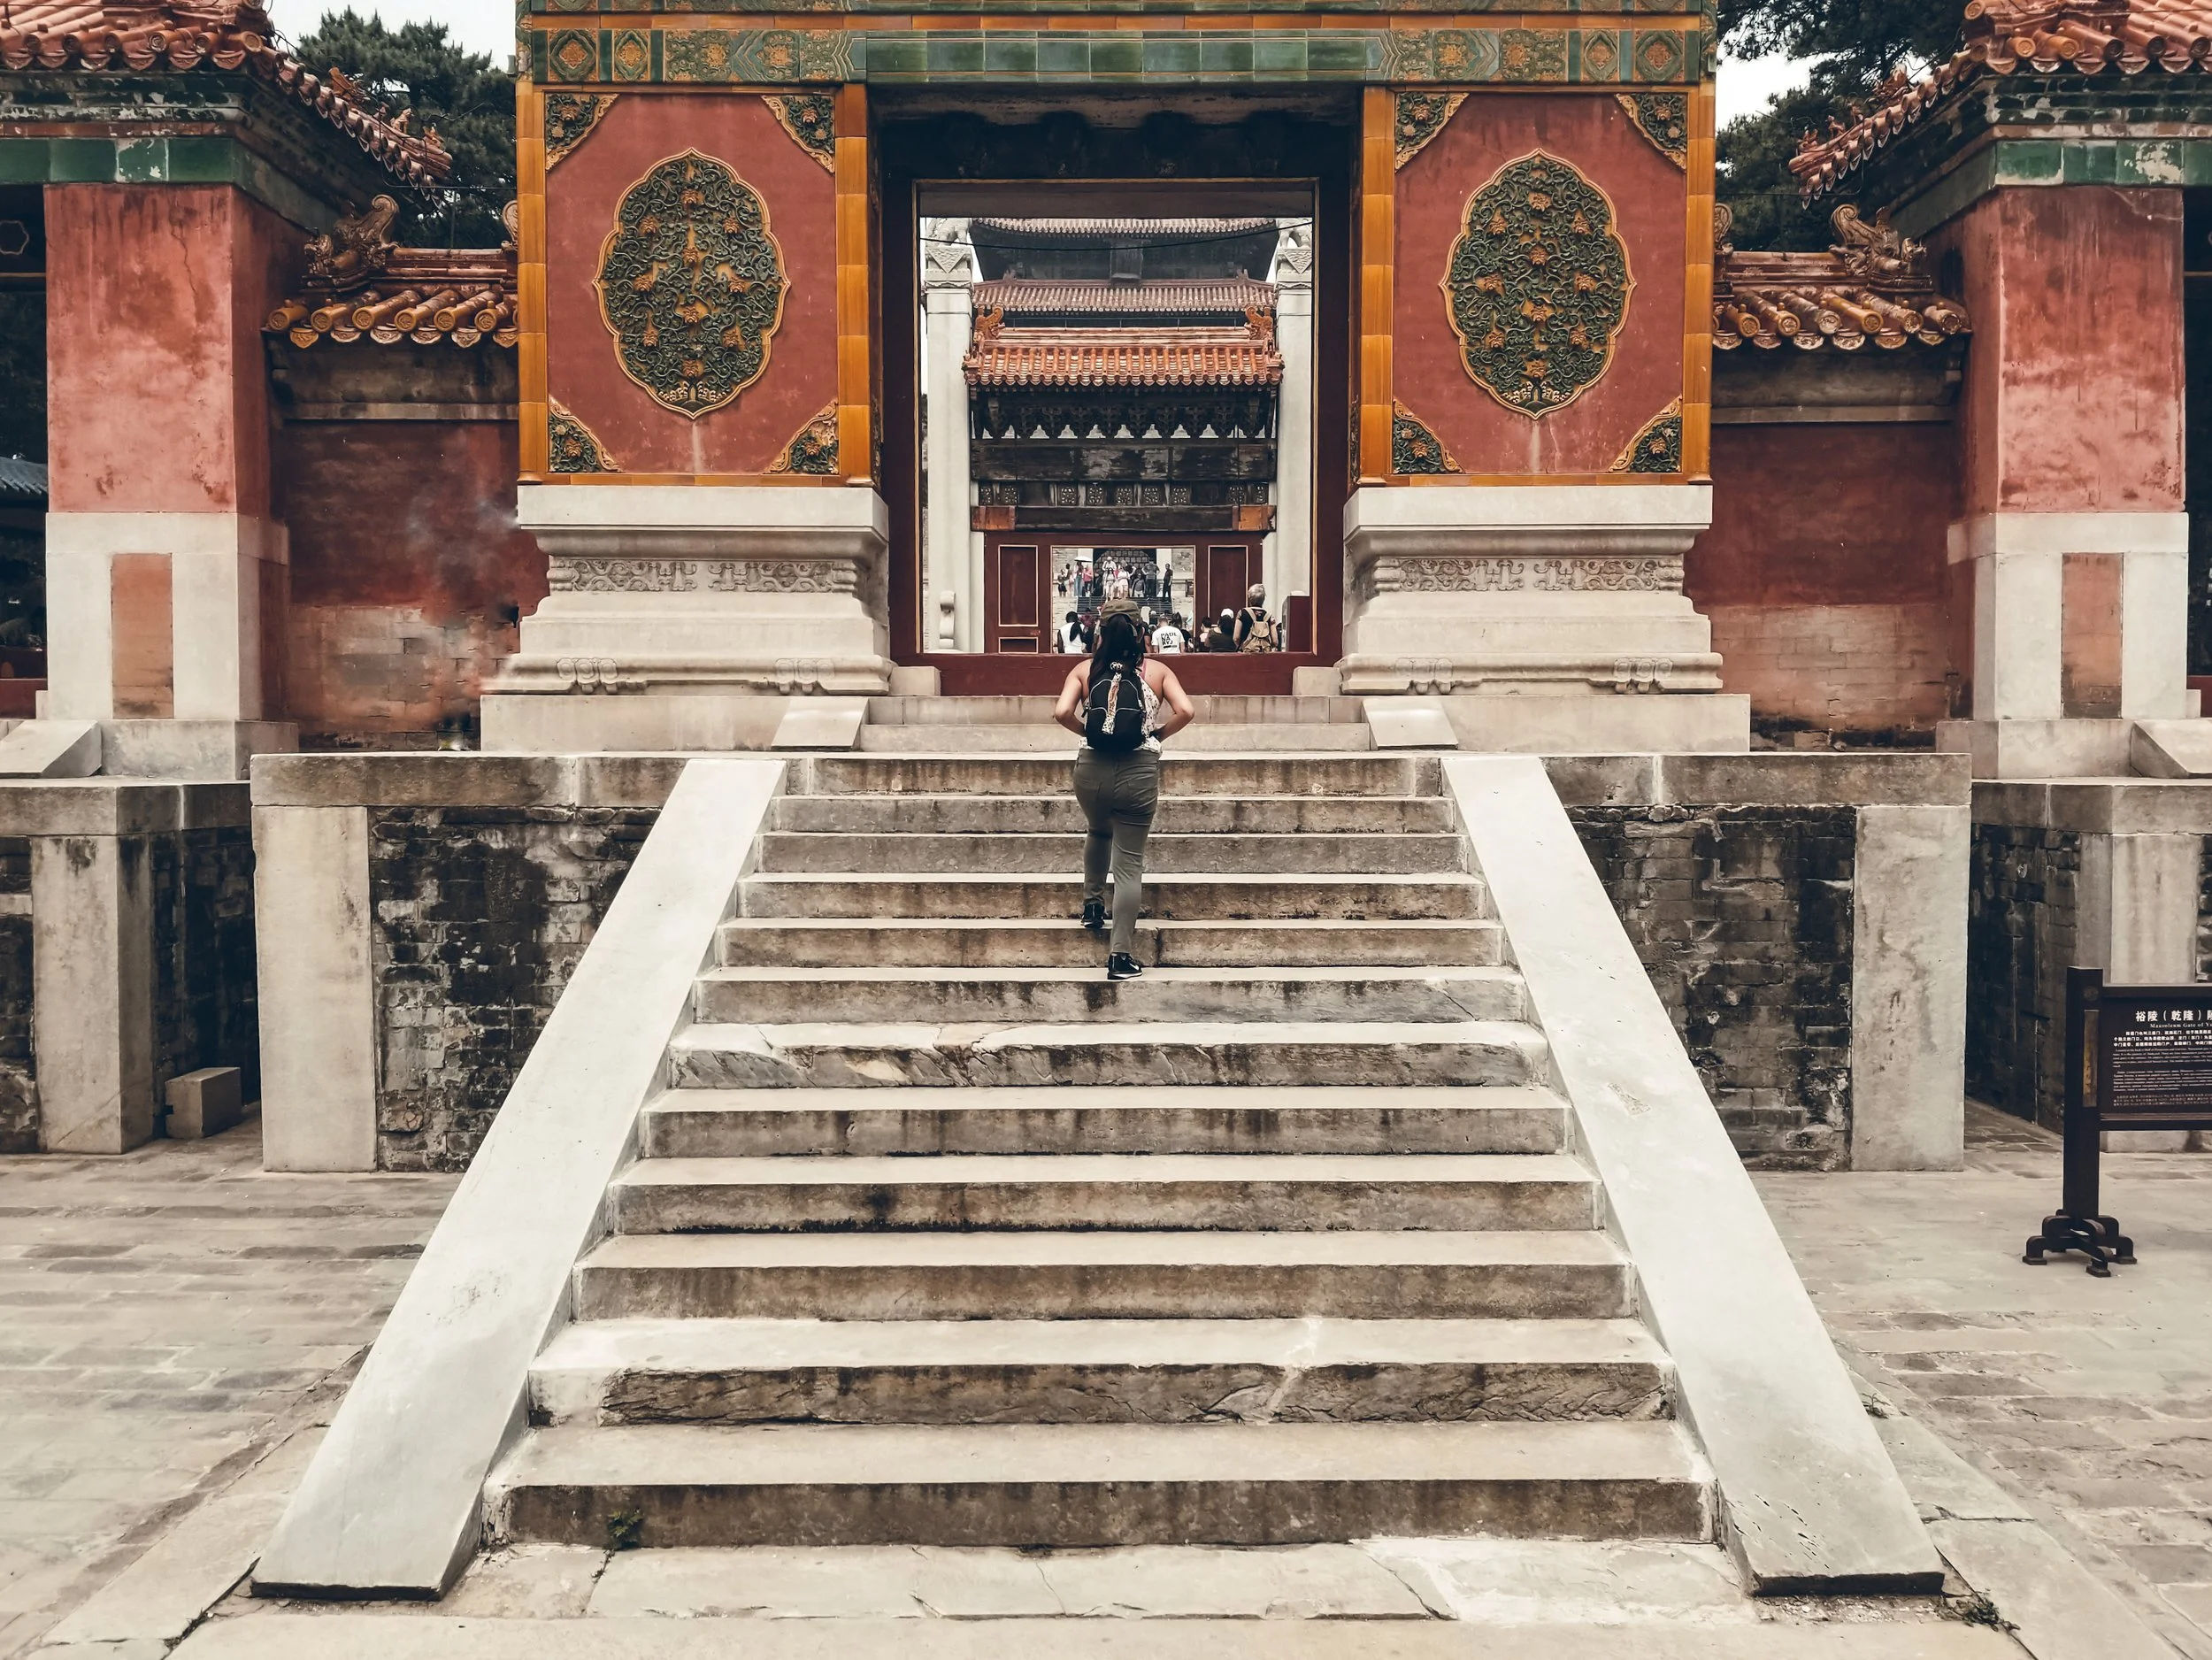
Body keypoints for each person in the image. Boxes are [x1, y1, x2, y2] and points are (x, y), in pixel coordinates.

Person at [1054, 611, 1195, 981]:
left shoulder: (1085, 670)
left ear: (1099, 635)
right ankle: (1119, 957)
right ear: (1140, 634)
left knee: (1098, 830)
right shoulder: (1158, 672)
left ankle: (1092, 906)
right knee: (1129, 864)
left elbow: (1062, 711)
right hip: (1139, 771)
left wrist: (1088, 731)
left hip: (1091, 770)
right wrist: (1158, 735)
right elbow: (1187, 710)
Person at [1235, 584, 1280, 654]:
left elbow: (1236, 637)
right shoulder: (1269, 616)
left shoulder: (1242, 613)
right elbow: (1275, 641)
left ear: (1250, 598)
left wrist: (1242, 646)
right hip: (1264, 656)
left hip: (1246, 654)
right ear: (1263, 599)